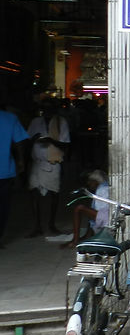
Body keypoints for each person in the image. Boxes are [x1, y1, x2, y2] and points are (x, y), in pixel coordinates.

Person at [26, 97, 70, 236]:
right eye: (45, 109)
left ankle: (51, 224)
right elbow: (27, 141)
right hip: (37, 163)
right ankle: (37, 225)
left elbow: (66, 145)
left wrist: (50, 140)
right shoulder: (35, 122)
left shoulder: (60, 122)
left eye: (50, 108)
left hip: (53, 163)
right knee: (34, 193)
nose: (47, 111)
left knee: (54, 194)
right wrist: (33, 140)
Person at [0, 90, 29, 247]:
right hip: (5, 170)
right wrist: (21, 161)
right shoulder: (10, 118)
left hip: (5, 170)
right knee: (3, 206)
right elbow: (19, 142)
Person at [60, 169, 109, 249]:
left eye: (90, 181)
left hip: (106, 218)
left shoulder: (102, 189)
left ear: (96, 181)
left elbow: (100, 212)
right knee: (88, 210)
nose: (88, 184)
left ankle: (75, 241)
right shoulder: (103, 187)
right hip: (104, 216)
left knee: (79, 208)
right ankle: (85, 236)